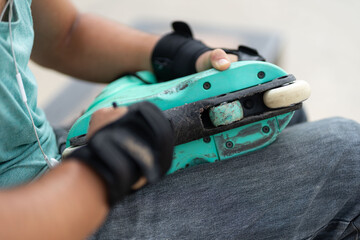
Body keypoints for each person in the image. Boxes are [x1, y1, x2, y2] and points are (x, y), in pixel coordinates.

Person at [0, 1, 359, 240]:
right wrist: (104, 167)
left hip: (46, 155)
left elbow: (66, 34)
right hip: (46, 219)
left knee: (288, 120)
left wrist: (173, 54)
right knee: (349, 161)